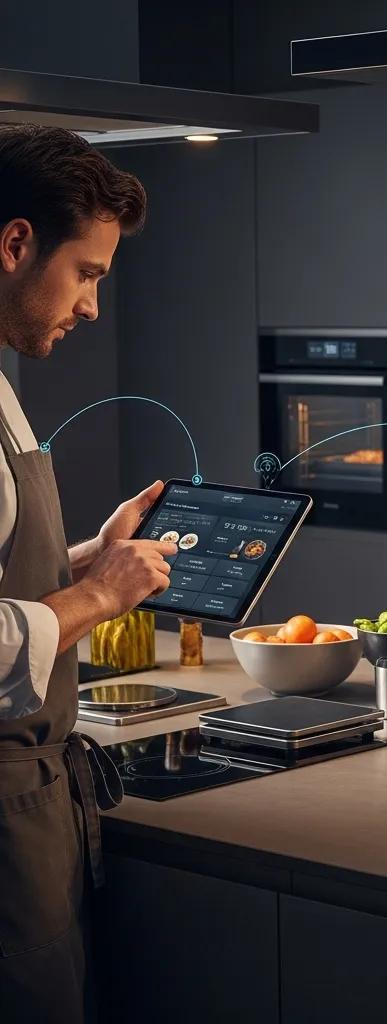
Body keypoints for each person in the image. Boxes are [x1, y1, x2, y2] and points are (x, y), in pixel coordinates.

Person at [0, 124, 177, 1022]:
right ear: (16, 243)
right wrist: (100, 594)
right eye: (88, 274)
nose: (93, 308)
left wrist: (85, 561)